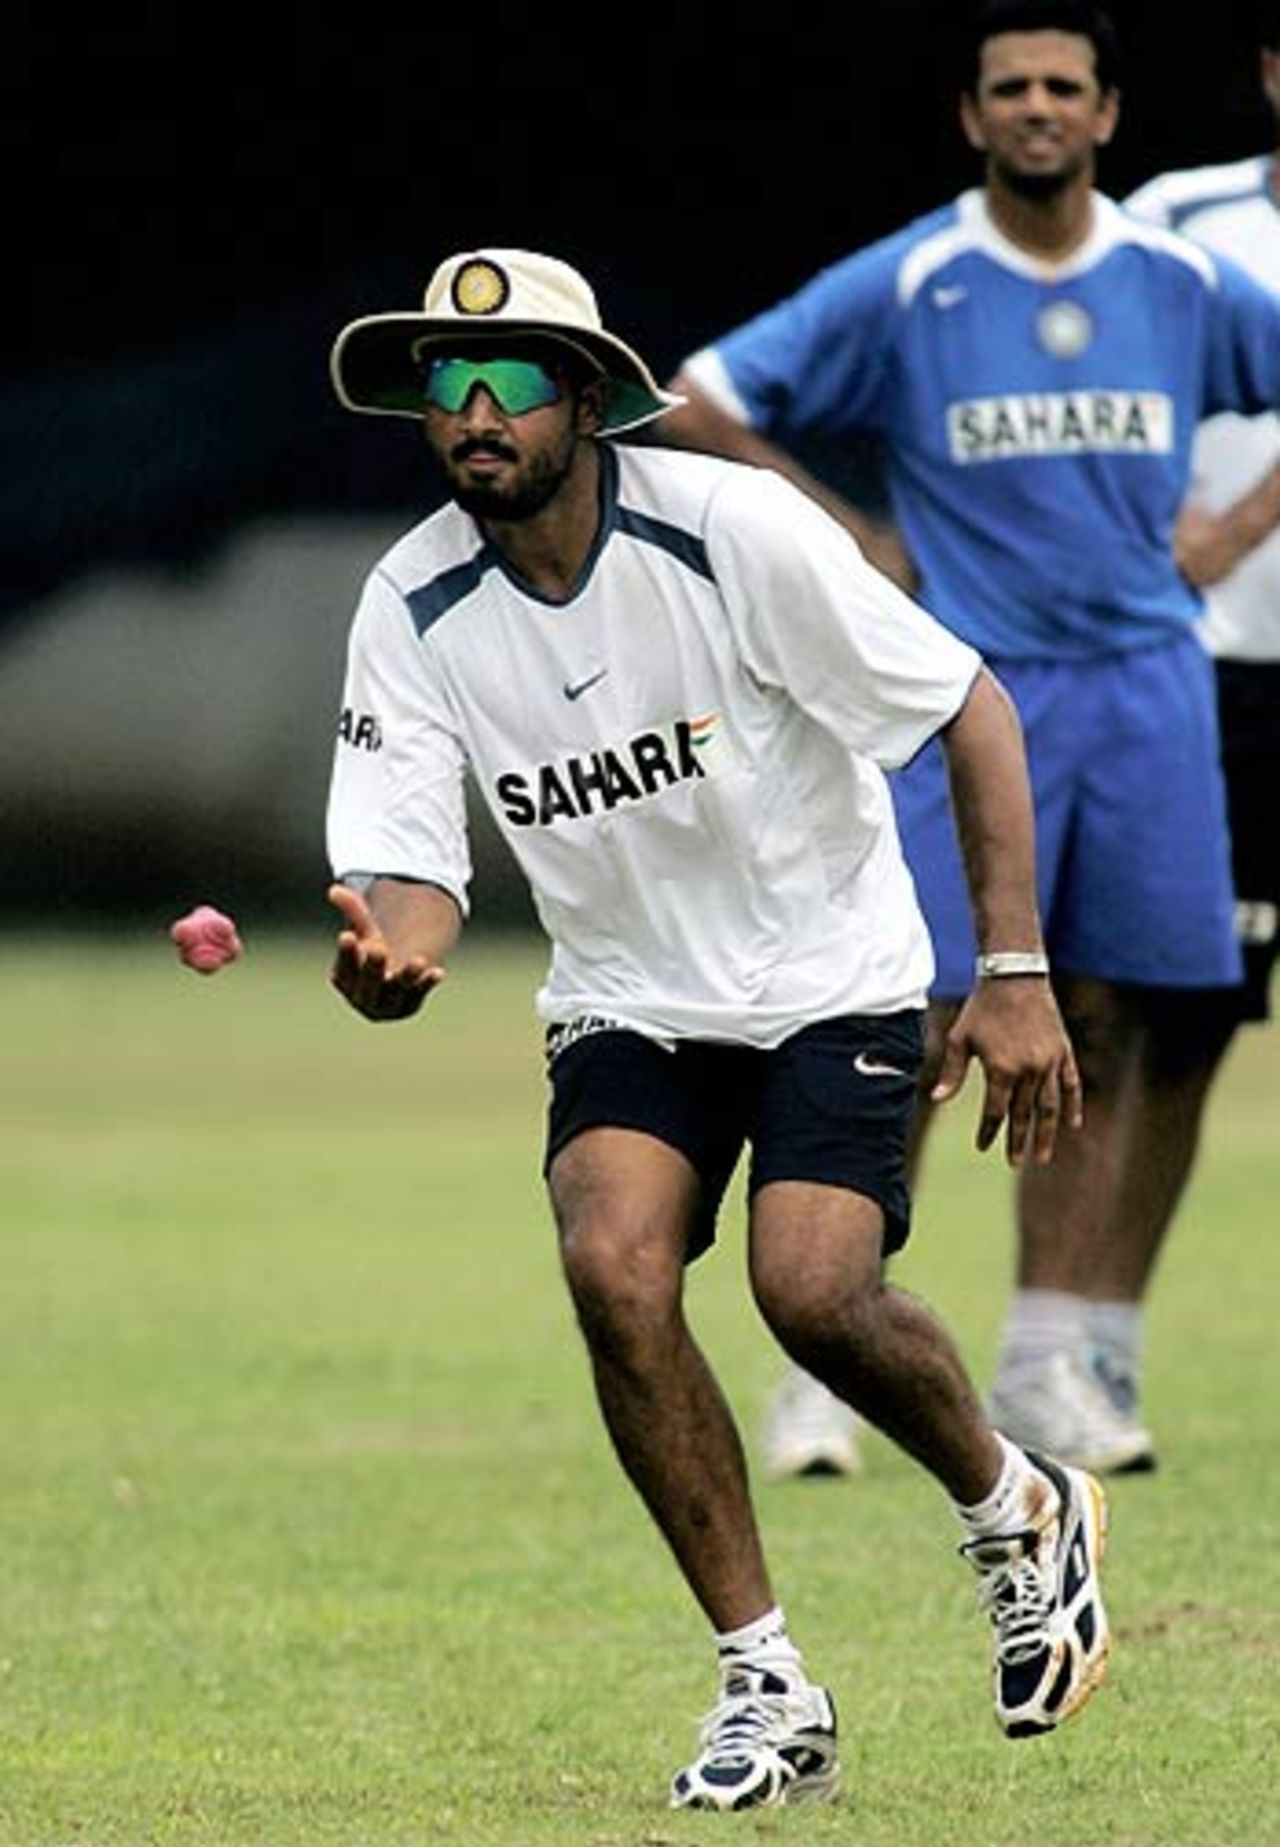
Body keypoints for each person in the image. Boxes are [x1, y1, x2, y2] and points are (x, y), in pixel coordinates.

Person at [323, 243, 1108, 1811]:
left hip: (832, 973)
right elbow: (406, 875)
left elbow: (972, 705)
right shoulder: (411, 600)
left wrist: (1011, 968)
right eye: (445, 383)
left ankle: (1019, 1506)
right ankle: (766, 1682)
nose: (473, 410)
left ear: (589, 400)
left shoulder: (730, 531)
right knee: (611, 1266)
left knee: (811, 1293)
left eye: (513, 378)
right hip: (629, 994)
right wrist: (386, 960)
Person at [657, 0, 1280, 1479]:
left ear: (1110, 115)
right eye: (1013, 87)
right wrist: (851, 536)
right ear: (972, 115)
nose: (1040, 109)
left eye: (1067, 86)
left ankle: (1049, 1363)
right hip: (963, 696)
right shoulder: (915, 280)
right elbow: (698, 397)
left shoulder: (1175, 277)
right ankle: (831, 1357)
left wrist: (1232, 527)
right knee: (922, 1016)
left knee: (1112, 1021)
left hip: (1146, 688)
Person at [1110, 14, 1280, 1402]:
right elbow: (1093, 360)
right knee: (1177, 1016)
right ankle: (1094, 1344)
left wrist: (1246, 516)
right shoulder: (1181, 213)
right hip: (1214, 670)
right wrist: (1172, 520)